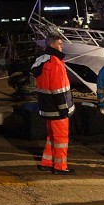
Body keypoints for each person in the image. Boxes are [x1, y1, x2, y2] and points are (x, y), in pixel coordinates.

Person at [31, 31, 75, 173]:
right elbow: (58, 89)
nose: (62, 47)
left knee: (51, 137)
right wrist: (64, 109)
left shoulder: (43, 60)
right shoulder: (55, 63)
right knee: (61, 138)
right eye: (60, 44)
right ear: (52, 44)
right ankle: (60, 167)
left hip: (46, 107)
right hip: (57, 108)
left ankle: (47, 162)